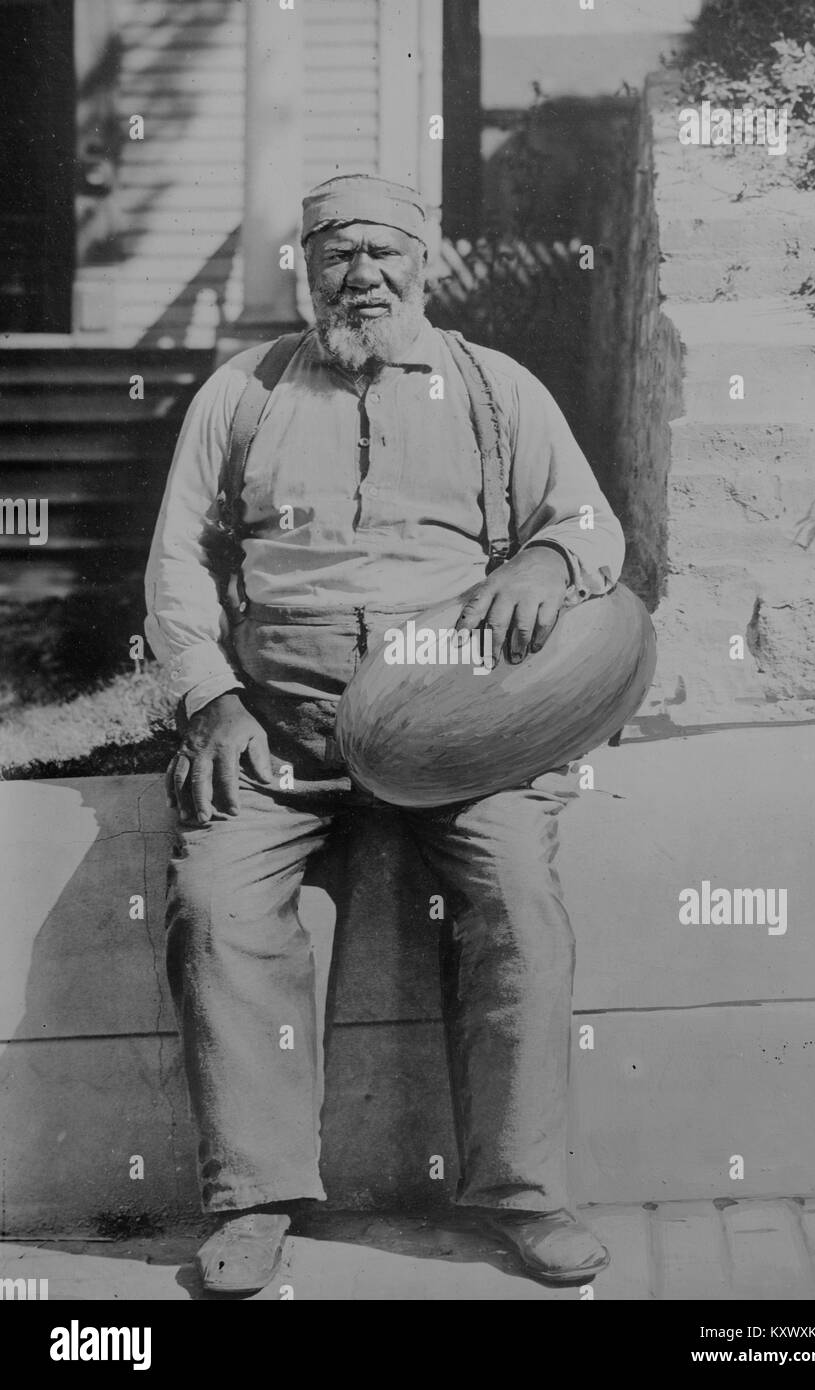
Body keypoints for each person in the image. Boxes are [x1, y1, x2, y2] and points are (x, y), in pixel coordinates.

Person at [145, 173, 626, 1295]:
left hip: (460, 724)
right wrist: (210, 697)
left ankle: (526, 1195)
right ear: (305, 271)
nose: (359, 274)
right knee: (214, 902)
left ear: (425, 260)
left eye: (382, 252)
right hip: (282, 728)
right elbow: (178, 563)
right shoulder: (245, 392)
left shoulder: (497, 390)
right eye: (334, 255)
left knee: (518, 902)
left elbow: (590, 523)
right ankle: (257, 1200)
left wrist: (549, 560)